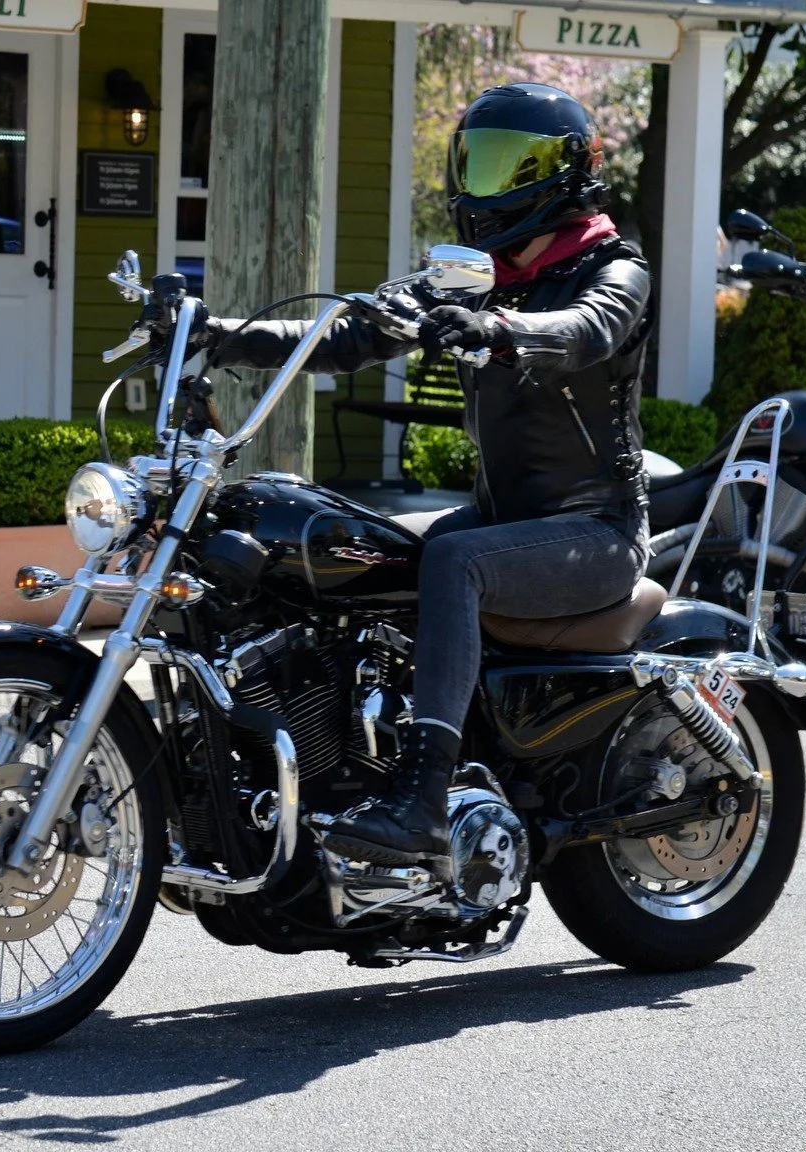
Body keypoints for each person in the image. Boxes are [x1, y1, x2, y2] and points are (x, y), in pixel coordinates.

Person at [199, 83, 653, 866]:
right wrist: (219, 335)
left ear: (564, 172)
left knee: (453, 562)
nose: (484, 183)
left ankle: (423, 803)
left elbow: (586, 329)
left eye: (508, 164)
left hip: (596, 534)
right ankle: (349, 760)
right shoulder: (477, 272)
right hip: (504, 522)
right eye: (476, 161)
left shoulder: (614, 267)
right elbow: (350, 335)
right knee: (357, 552)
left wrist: (500, 329)